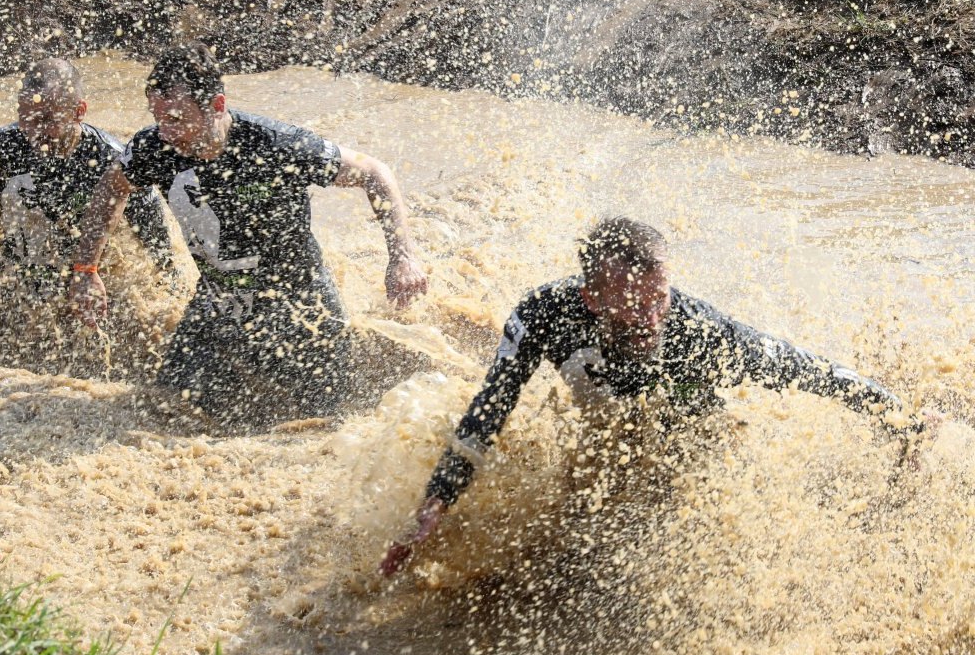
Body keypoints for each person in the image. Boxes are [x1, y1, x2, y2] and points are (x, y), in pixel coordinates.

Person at [380, 216, 930, 577]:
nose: (649, 321)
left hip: (692, 436)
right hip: (606, 422)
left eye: (658, 300)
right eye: (631, 303)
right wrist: (436, 505)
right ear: (591, 295)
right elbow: (489, 410)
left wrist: (901, 419)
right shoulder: (544, 314)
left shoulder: (701, 332)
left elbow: (809, 370)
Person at [68, 41, 428, 426]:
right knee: (168, 410)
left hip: (299, 301)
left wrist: (402, 256)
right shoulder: (152, 148)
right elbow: (112, 188)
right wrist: (87, 270)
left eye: (177, 118)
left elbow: (374, 173)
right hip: (218, 300)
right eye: (159, 118)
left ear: (218, 106)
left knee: (326, 422)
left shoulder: (275, 145)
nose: (166, 132)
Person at [0, 58, 170, 344]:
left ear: (79, 112)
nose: (34, 132)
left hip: (85, 290)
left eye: (48, 120)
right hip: (15, 290)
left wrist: (170, 296)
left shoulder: (110, 158)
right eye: (26, 117)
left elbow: (154, 234)